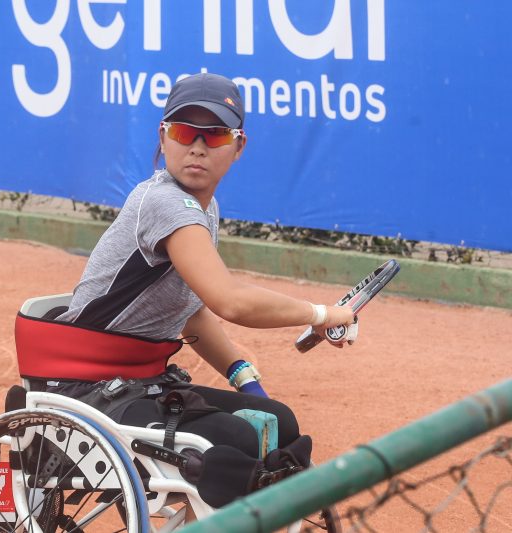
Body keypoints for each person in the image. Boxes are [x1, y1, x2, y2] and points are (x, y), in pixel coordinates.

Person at [43, 72, 356, 509]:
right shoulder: (166, 203)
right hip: (86, 387)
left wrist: (244, 379)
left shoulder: (203, 210)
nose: (197, 146)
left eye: (215, 135)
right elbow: (228, 300)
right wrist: (321, 314)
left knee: (277, 420)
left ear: (238, 146)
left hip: (137, 381)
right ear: (164, 136)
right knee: (235, 439)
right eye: (184, 131)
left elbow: (189, 311)